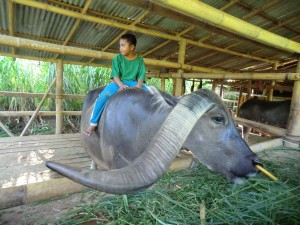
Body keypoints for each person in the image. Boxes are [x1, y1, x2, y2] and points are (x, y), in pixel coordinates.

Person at [84, 33, 149, 136]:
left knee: (151, 95)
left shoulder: (140, 60)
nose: (120, 48)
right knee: (102, 97)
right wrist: (121, 86)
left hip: (134, 83)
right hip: (118, 82)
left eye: (123, 45)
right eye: (120, 45)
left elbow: (141, 75)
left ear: (132, 47)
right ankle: (93, 123)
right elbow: (115, 75)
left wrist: (138, 87)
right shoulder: (117, 59)